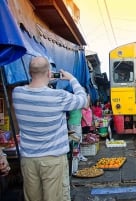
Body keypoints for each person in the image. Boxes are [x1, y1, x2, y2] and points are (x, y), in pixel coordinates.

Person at [12, 56, 87, 201]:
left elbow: (34, 88)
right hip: (53, 160)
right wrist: (72, 79)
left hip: (28, 161)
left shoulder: (17, 93)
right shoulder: (58, 96)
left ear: (29, 73)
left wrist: (44, 79)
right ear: (49, 73)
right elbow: (83, 100)